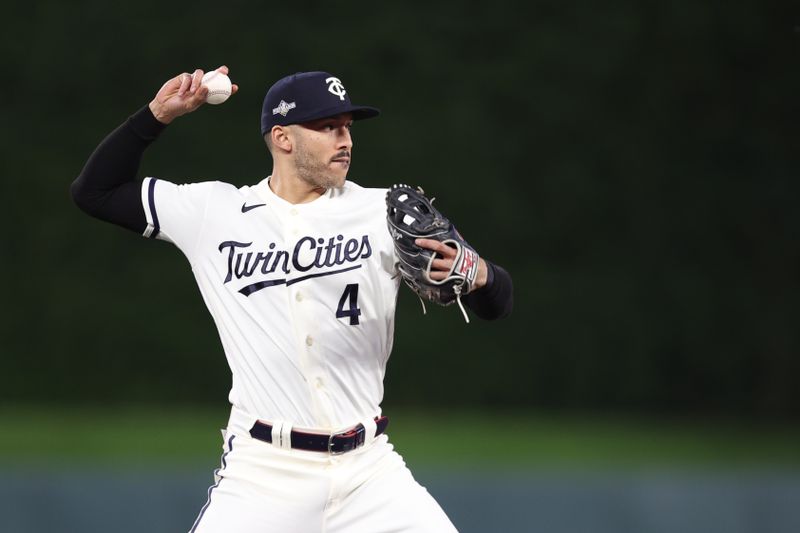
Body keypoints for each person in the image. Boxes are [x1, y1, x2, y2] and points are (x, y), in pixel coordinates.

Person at [71, 65, 513, 533]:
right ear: (282, 138)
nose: (344, 139)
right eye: (327, 127)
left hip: (369, 473)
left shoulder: (382, 211)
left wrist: (481, 276)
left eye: (347, 126)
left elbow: (496, 300)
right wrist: (156, 115)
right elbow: (95, 192)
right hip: (263, 475)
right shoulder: (214, 212)